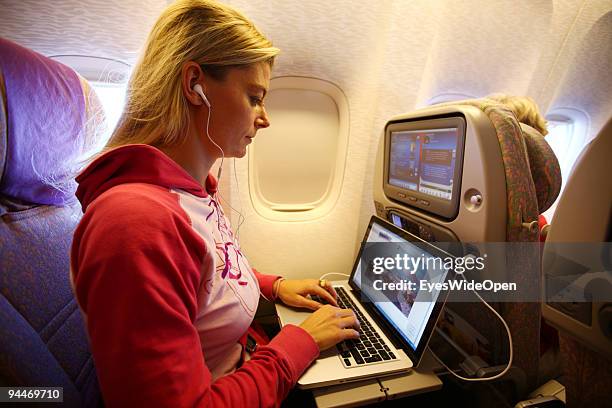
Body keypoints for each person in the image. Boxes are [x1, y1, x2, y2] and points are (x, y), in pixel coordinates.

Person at [70, 1, 360, 406]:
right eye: (255, 96)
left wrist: (272, 285)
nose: (265, 118)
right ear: (195, 85)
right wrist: (300, 343)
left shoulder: (192, 189)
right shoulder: (136, 225)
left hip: (250, 363)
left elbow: (208, 274)